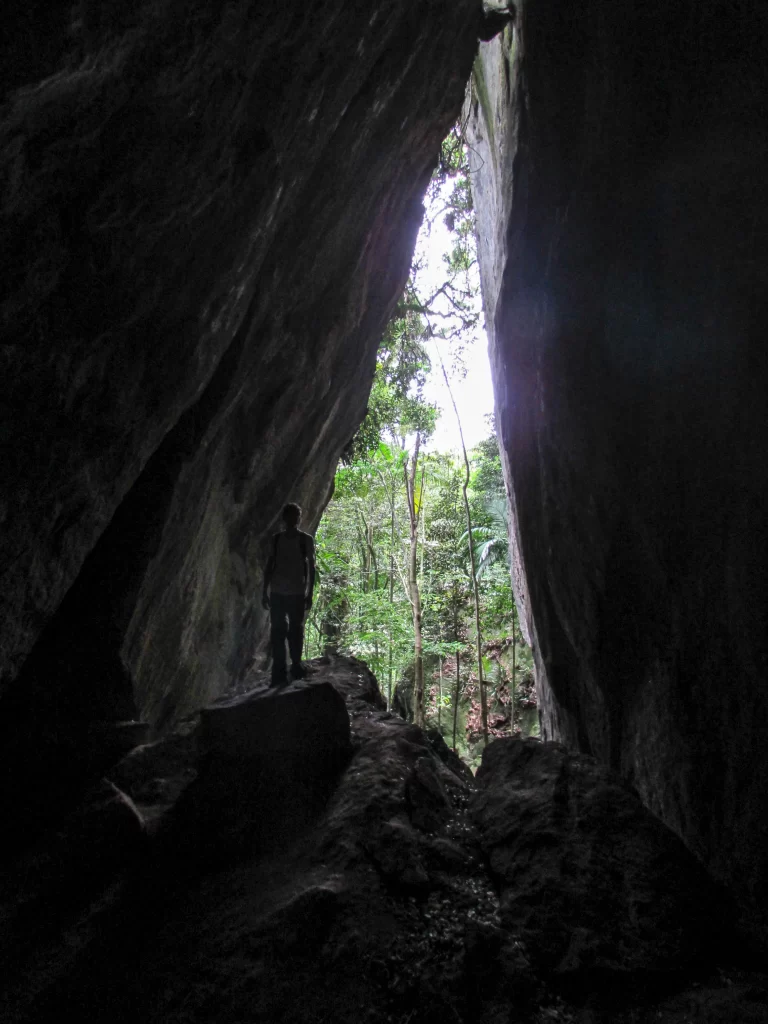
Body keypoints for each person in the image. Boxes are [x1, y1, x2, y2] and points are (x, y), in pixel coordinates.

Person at [261, 502, 316, 687]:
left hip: (296, 592)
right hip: (278, 591)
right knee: (277, 632)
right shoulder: (276, 540)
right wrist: (264, 591)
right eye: (290, 516)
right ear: (284, 519)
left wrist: (309, 593)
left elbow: (311, 567)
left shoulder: (305, 540)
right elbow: (270, 565)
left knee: (295, 631)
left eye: (296, 516)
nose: (293, 520)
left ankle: (295, 666)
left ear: (299, 519)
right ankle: (279, 673)